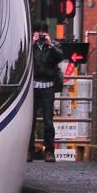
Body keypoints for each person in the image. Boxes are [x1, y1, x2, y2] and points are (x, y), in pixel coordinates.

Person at [29, 21, 63, 162]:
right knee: (30, 121)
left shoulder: (53, 45)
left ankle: (49, 151)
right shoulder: (30, 45)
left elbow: (60, 56)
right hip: (33, 87)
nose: (41, 34)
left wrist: (50, 44)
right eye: (39, 31)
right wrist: (31, 43)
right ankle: (29, 151)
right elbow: (21, 57)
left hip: (48, 86)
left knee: (48, 121)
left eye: (44, 32)